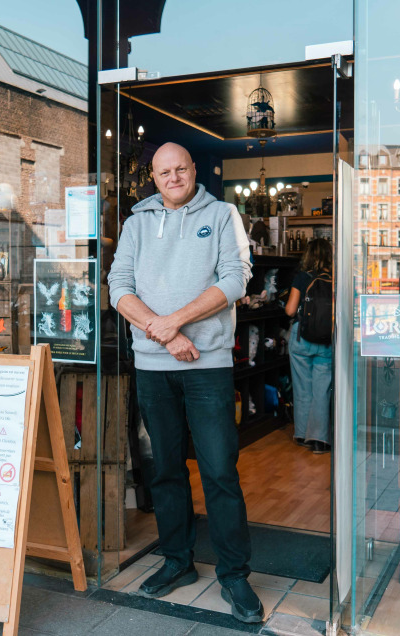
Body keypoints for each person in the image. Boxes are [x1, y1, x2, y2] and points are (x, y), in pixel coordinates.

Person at [108, 142, 263, 624]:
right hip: (154, 367)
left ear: (194, 170)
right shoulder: (136, 224)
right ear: (152, 178)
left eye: (180, 169)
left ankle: (234, 575)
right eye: (163, 172)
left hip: (207, 366)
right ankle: (178, 562)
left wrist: (171, 322)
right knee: (166, 470)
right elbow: (119, 287)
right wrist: (163, 332)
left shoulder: (222, 215)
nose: (173, 177)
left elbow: (236, 279)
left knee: (219, 471)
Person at [284, 238, 333, 454]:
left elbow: (290, 311)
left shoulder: (303, 278)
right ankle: (319, 440)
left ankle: (302, 434)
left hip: (301, 339)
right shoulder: (336, 279)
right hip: (326, 340)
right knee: (321, 390)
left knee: (303, 387)